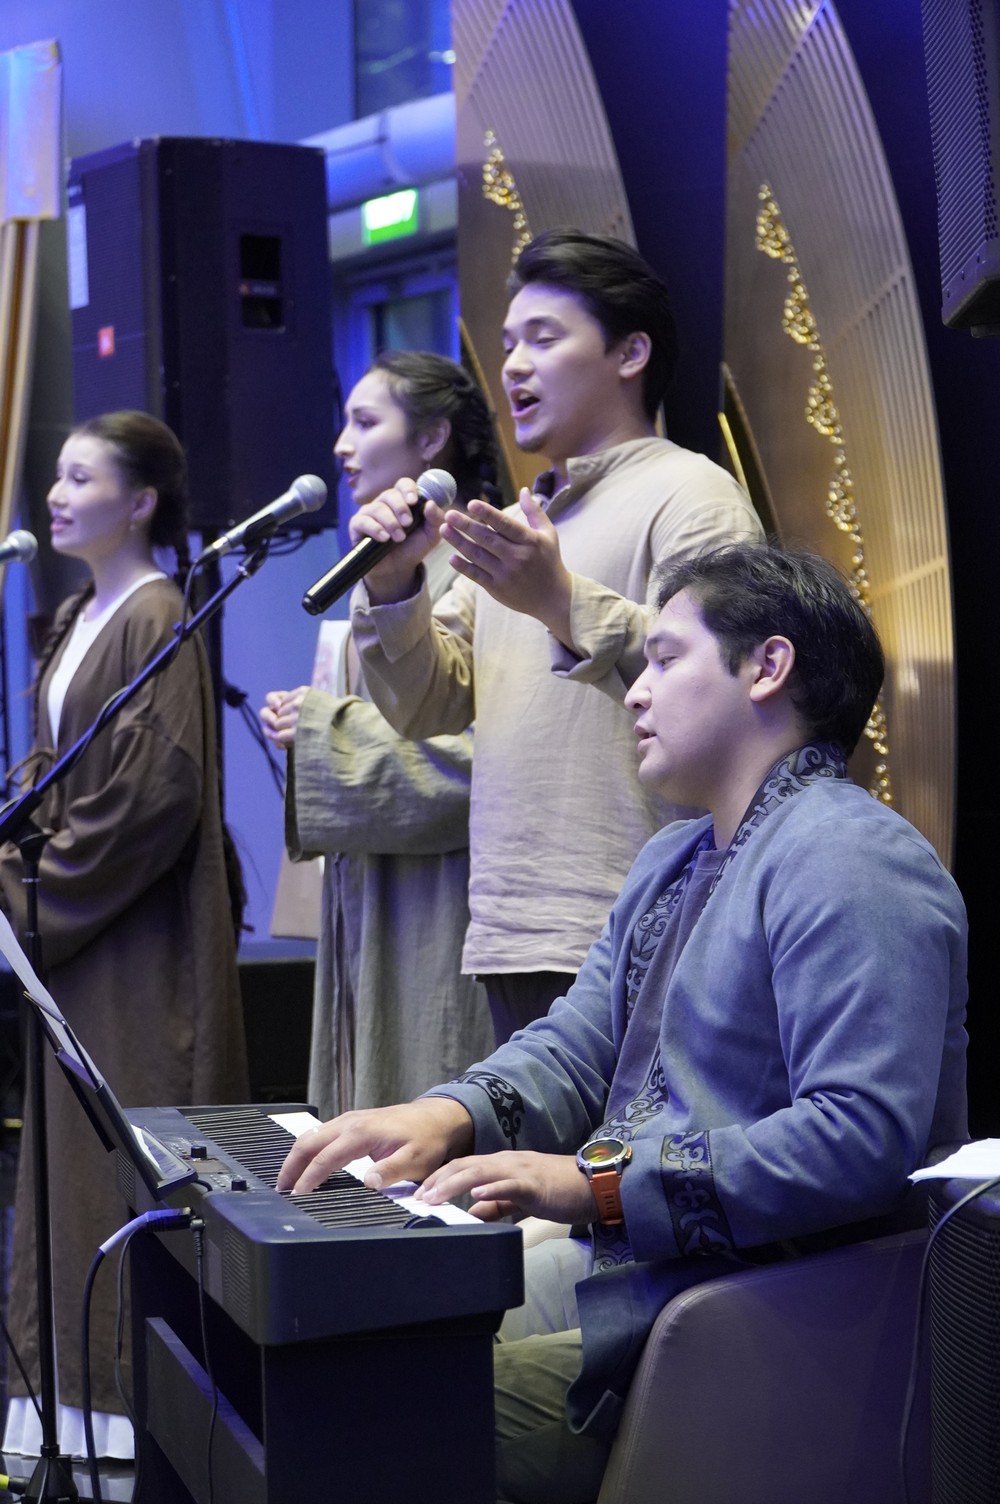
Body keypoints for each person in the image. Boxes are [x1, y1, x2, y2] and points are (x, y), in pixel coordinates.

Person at [278, 542, 969, 1504]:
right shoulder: (676, 858)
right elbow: (579, 1046)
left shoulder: (854, 856)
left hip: (770, 1308)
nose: (634, 692)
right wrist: (447, 1114)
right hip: (664, 1271)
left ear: (768, 668)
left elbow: (857, 1140)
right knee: (354, 1338)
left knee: (380, 1406)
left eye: (666, 660)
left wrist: (591, 1185)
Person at [346, 230, 762, 1044]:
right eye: (508, 344)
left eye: (543, 338)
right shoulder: (517, 525)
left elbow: (727, 688)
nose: (512, 366)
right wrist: (393, 584)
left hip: (641, 919)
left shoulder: (692, 493)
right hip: (509, 926)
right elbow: (426, 705)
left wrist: (561, 601)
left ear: (630, 352)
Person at [0, 411, 248, 1459]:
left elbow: (154, 795)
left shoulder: (155, 613)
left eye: (80, 478)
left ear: (140, 501)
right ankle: (68, 1419)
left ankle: (132, 1425)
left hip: (131, 948)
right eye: (56, 477)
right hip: (79, 939)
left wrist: (26, 882)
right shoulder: (81, 613)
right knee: (66, 1177)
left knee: (118, 1167)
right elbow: (51, 767)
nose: (56, 496)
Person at [260, 351, 496, 1114]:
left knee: (425, 1094)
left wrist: (326, 731)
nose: (341, 445)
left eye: (365, 422)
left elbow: (480, 757)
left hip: (444, 902)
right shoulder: (386, 567)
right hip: (371, 891)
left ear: (431, 439)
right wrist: (315, 720)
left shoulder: (483, 566)